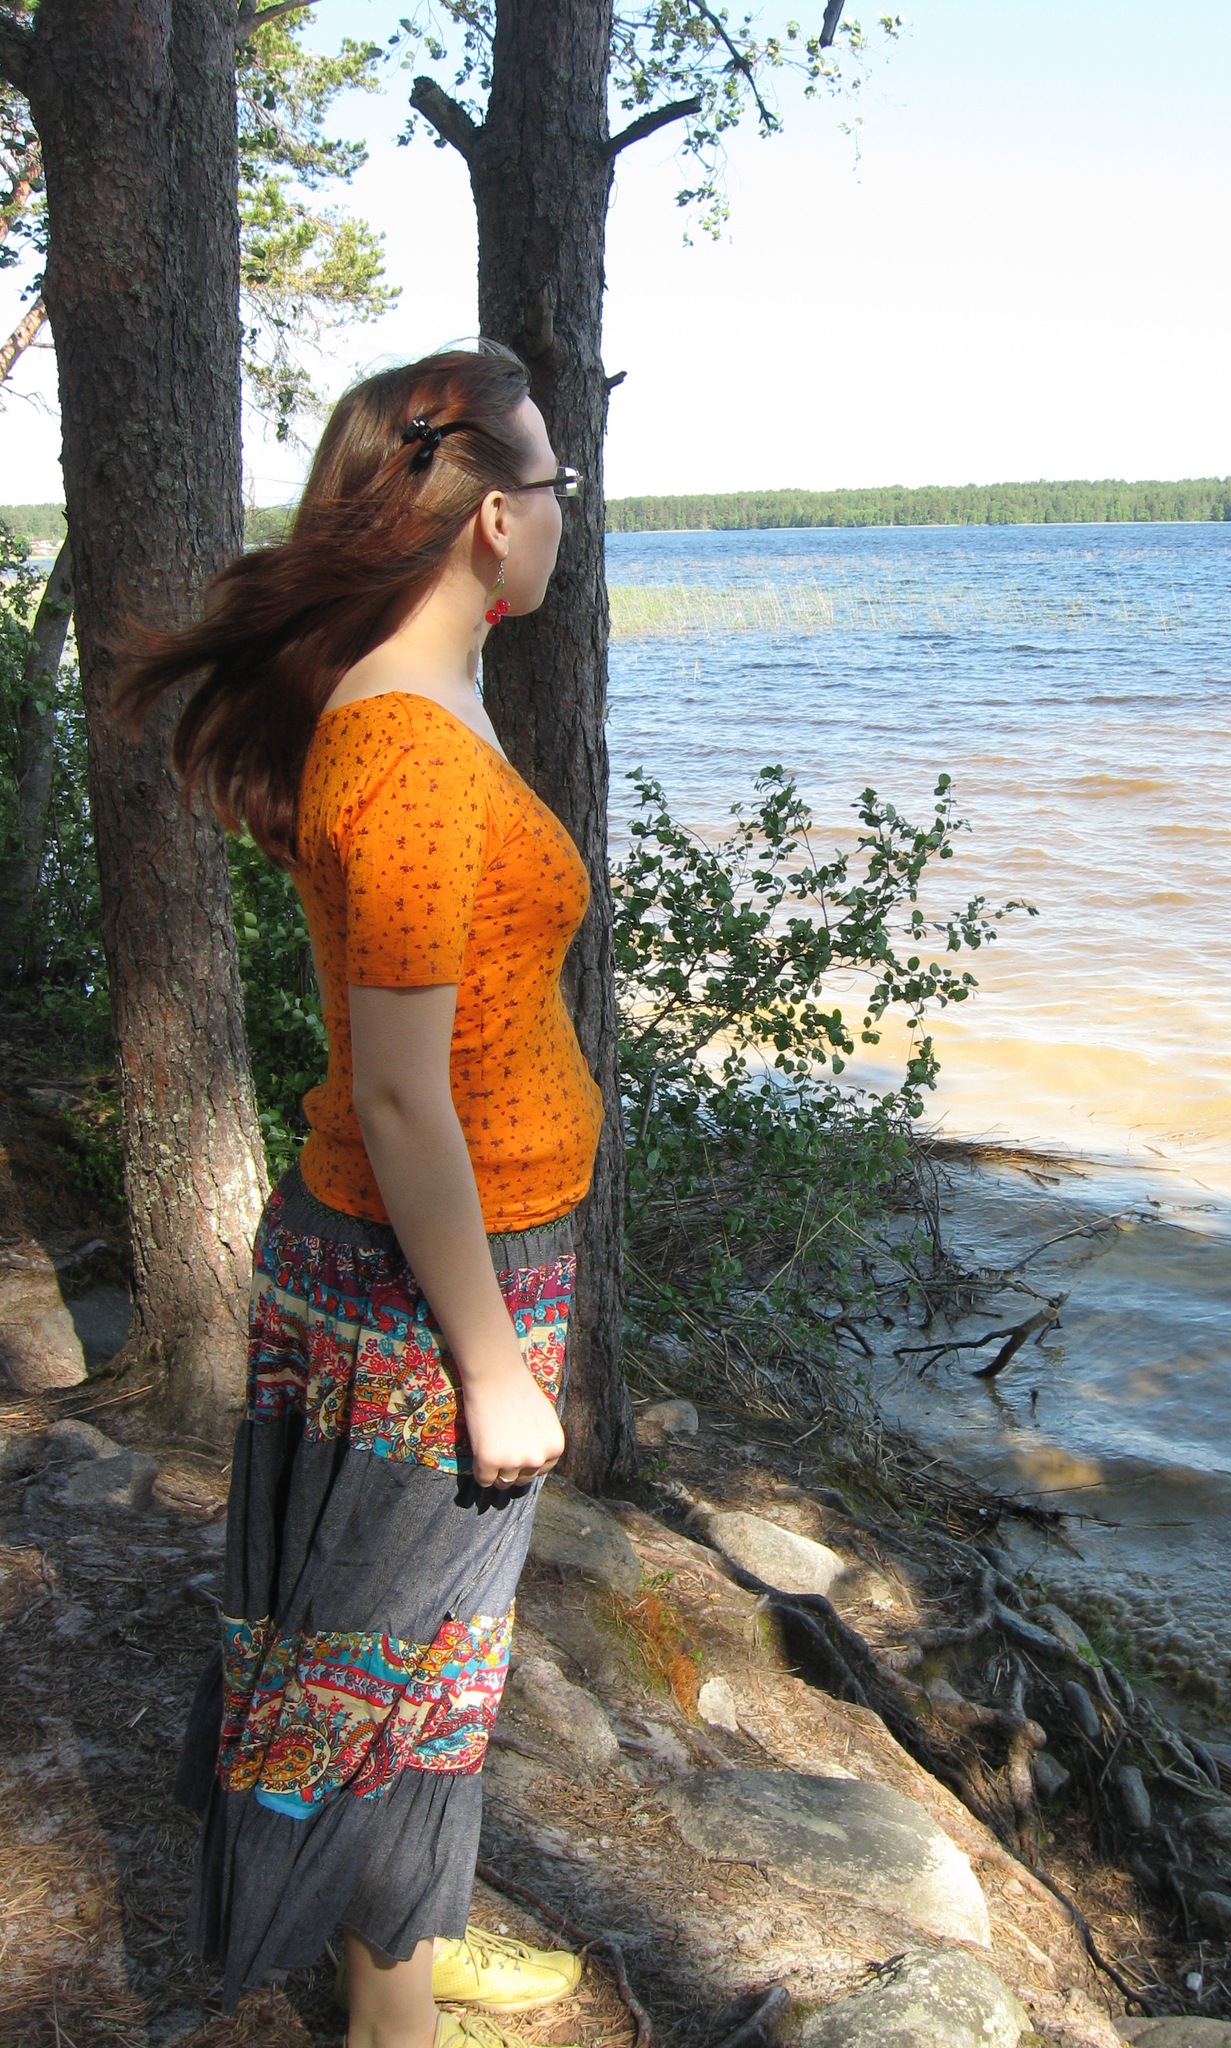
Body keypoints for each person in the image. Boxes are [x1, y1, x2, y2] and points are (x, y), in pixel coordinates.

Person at [117, 345, 603, 2048]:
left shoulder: (437, 691)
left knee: (426, 1653)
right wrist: (490, 1363)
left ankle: (405, 1943)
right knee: (381, 1667)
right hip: (422, 1288)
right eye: (553, 483)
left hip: (460, 1258)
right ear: (487, 521)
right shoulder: (405, 746)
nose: (565, 510)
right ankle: (393, 2023)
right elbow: (398, 1093)